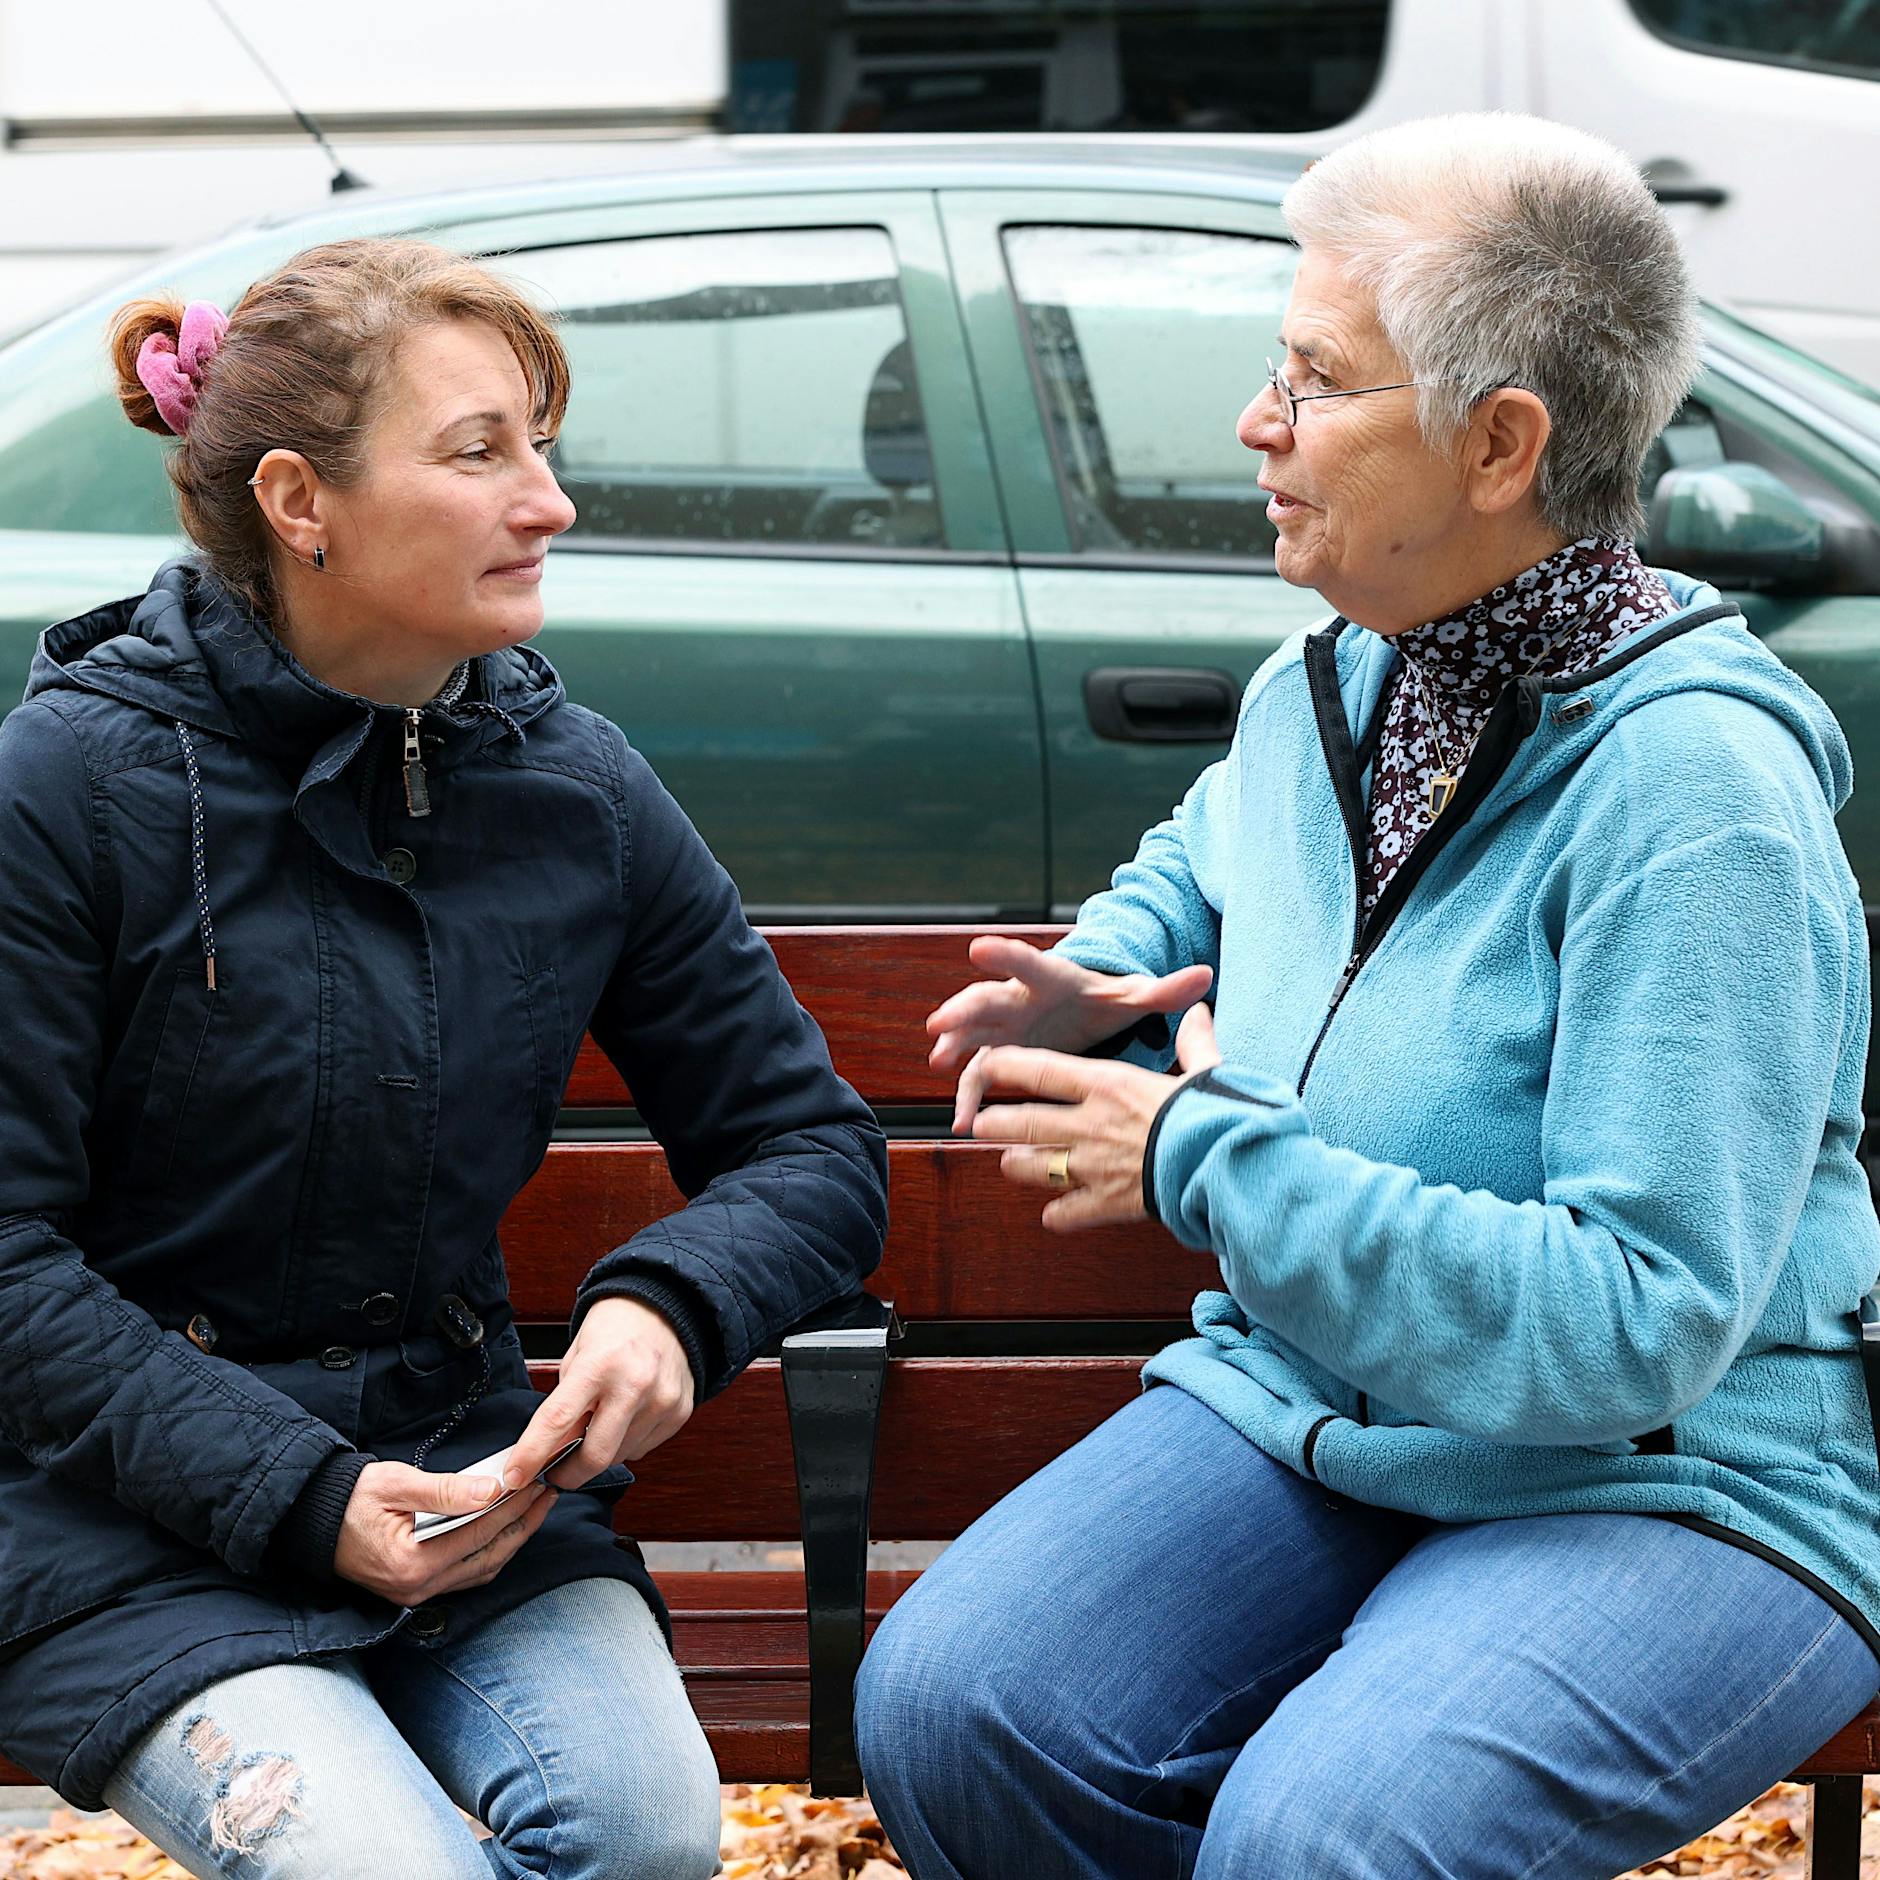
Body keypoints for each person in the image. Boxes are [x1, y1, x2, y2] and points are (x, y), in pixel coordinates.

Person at [854, 113, 1880, 1879]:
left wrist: (1203, 1157)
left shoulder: (1695, 796)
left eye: (1315, 382)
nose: (1259, 425)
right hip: (1321, 1402)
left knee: (1333, 1837)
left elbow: (1637, 1319)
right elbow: (1215, 845)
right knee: (959, 1707)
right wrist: (1099, 969)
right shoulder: (1340, 677)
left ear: (1500, 445)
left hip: (1673, 1477)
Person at [0, 238, 888, 1878]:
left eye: (541, 445)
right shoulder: (66, 787)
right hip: (125, 1530)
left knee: (636, 1840)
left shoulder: (576, 785)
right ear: (298, 500)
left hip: (472, 1497)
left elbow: (810, 1149)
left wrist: (670, 1300)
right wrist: (299, 1493)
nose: (547, 502)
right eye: (481, 451)